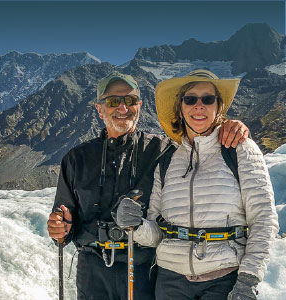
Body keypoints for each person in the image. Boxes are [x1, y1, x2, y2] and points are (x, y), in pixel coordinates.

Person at [47, 70, 249, 300]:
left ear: (139, 105)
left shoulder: (163, 151)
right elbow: (62, 224)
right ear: (99, 108)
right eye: (113, 101)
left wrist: (230, 127)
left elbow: (201, 142)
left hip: (144, 269)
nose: (123, 109)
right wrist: (59, 231)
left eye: (130, 101)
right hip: (92, 271)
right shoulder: (76, 160)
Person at [113, 69, 279, 300]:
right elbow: (157, 232)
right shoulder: (168, 160)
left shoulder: (240, 150)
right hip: (170, 282)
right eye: (190, 99)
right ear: (180, 107)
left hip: (224, 280)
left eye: (208, 99)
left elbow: (263, 219)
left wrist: (248, 279)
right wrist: (135, 225)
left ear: (218, 107)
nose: (198, 106)